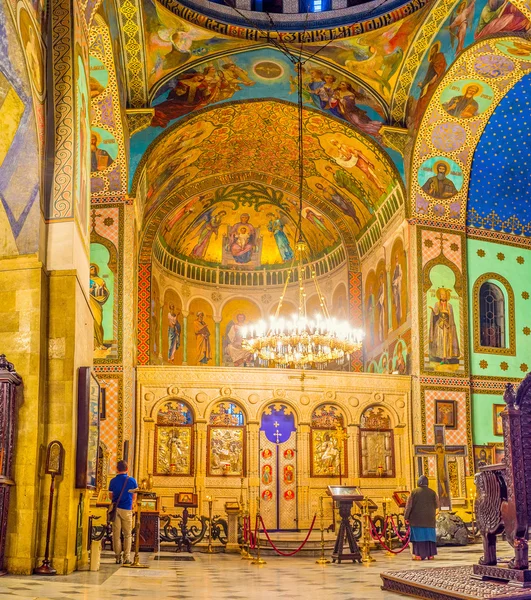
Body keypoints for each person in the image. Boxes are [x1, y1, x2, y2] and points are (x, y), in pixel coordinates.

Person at [108, 460, 138, 565]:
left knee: (116, 534)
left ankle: (117, 557)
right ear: (127, 469)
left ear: (117, 469)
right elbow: (134, 497)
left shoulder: (113, 481)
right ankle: (126, 557)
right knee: (127, 534)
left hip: (116, 509)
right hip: (127, 509)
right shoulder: (132, 481)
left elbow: (110, 496)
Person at [404, 475, 439, 560]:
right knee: (429, 537)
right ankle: (430, 555)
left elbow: (408, 506)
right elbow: (437, 505)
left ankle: (418, 555)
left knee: (418, 537)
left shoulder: (414, 492)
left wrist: (406, 517)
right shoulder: (433, 492)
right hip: (429, 520)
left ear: (418, 482)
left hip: (417, 520)